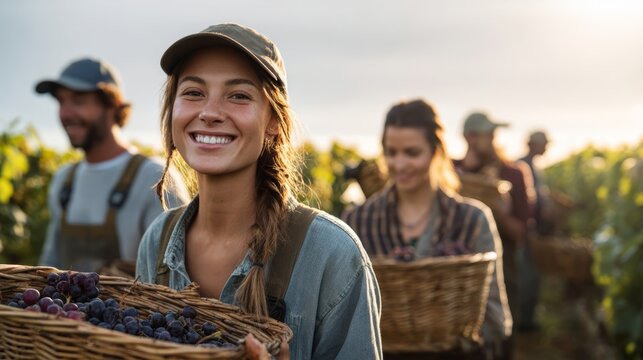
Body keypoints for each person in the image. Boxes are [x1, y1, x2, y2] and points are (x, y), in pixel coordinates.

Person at [135, 23, 382, 359]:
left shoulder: (332, 255)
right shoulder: (157, 243)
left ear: (273, 122)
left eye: (238, 95)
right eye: (193, 92)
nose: (209, 113)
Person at [342, 99, 512, 358]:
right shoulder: (358, 221)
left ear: (436, 151)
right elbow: (344, 312)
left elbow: (495, 317)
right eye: (391, 152)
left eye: (412, 153)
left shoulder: (471, 220)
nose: (399, 164)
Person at [36, 57, 190, 273]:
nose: (66, 113)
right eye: (61, 102)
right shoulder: (64, 180)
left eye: (78, 101)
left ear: (112, 105)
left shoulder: (154, 178)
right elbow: (50, 264)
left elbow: (173, 274)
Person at [453, 112, 534, 333]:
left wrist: (500, 211)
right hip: (456, 271)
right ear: (470, 137)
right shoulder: (451, 173)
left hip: (502, 268)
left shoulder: (513, 174)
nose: (493, 140)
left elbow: (520, 235)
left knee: (501, 334)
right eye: (488, 135)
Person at [516, 130, 549, 331]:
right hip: (524, 231)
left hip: (531, 230)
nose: (546, 147)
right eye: (544, 143)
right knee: (527, 274)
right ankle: (523, 322)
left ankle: (527, 318)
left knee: (532, 274)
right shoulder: (521, 166)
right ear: (533, 144)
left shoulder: (534, 166)